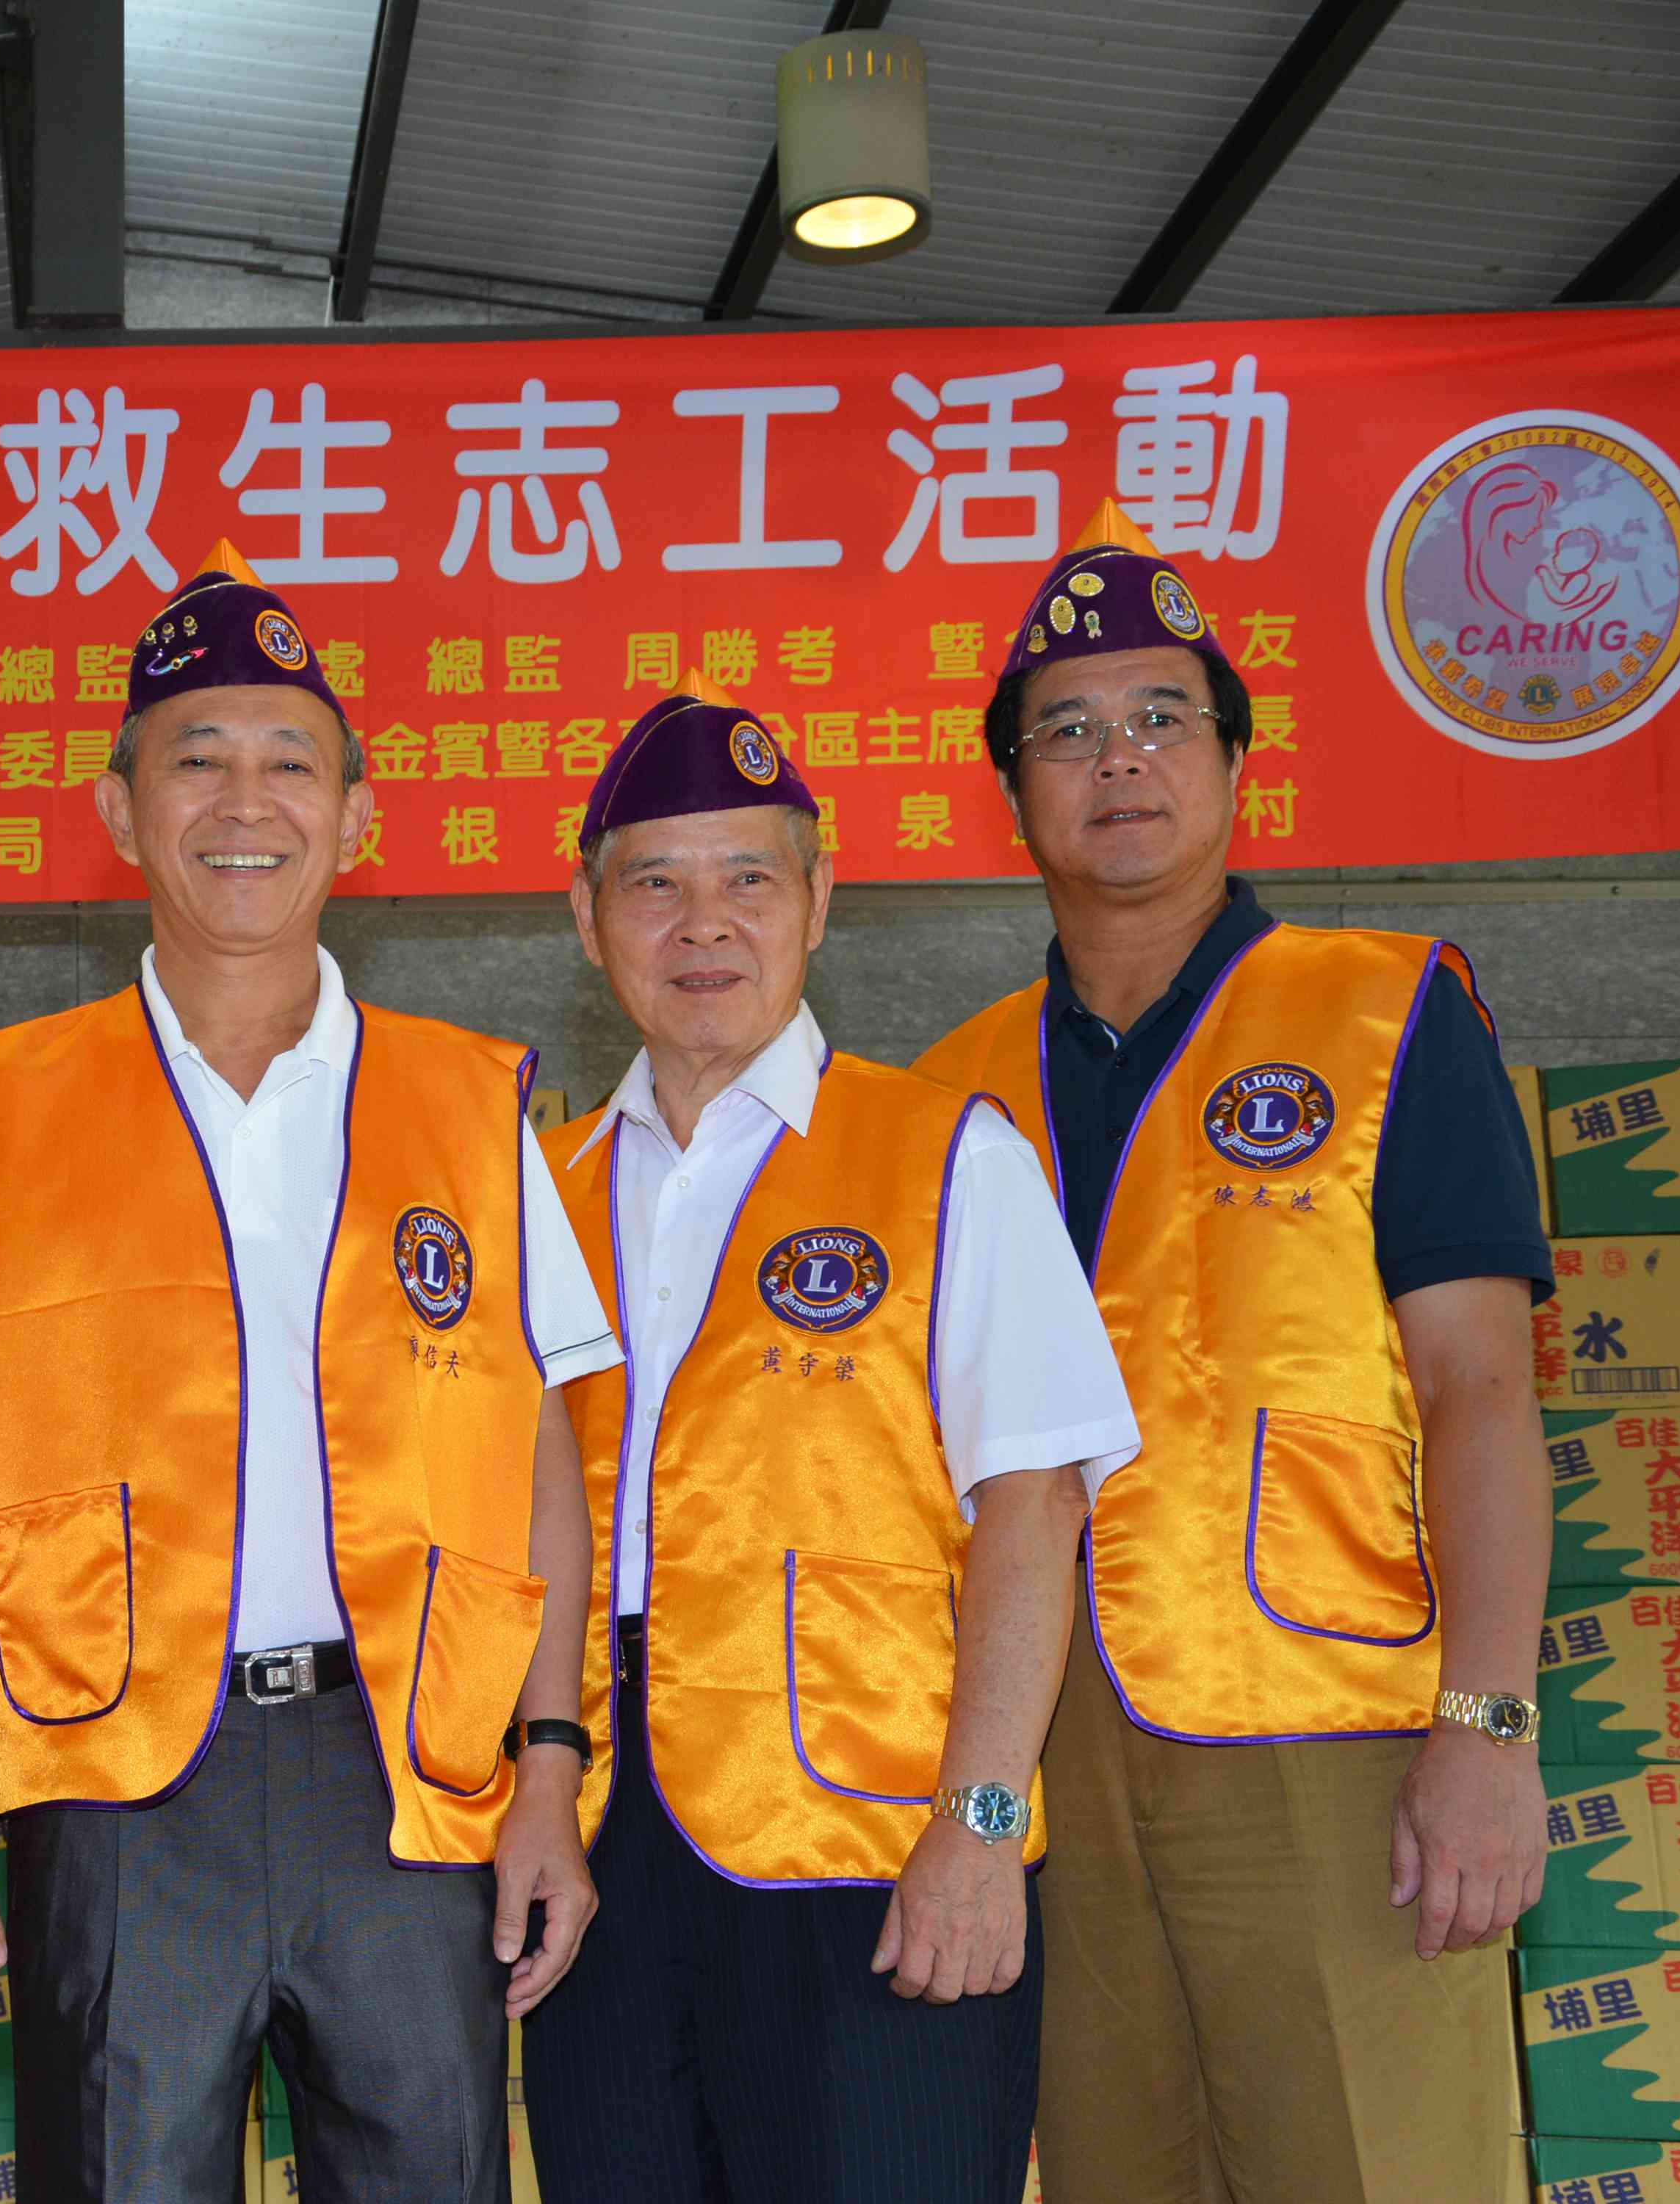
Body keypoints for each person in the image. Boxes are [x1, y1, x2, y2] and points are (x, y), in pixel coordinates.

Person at [0, 541, 621, 2204]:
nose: (244, 802)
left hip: (409, 1778)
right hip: (121, 1790)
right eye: (195, 759)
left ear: (357, 818)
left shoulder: (469, 1102)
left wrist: (551, 1769)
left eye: (291, 763)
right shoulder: (11, 1103)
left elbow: (541, 1461)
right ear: (118, 807)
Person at [915, 501, 1553, 2204]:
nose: (1116, 758)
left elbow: (1482, 1390)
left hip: (1330, 1738)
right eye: (1065, 730)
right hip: (1042, 1755)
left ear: (1232, 759)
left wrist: (1488, 1724)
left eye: (1158, 718)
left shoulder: (1385, 1009)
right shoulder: (943, 1092)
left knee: (1374, 2170)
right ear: (1011, 794)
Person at [518, 684, 1136, 2203]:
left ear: (820, 898)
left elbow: (1035, 1504)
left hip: (875, 1849)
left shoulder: (946, 1155)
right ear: (588, 920)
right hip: (592, 1851)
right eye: (654, 885)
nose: (703, 924)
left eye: (749, 878)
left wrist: (980, 1823)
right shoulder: (531, 1191)